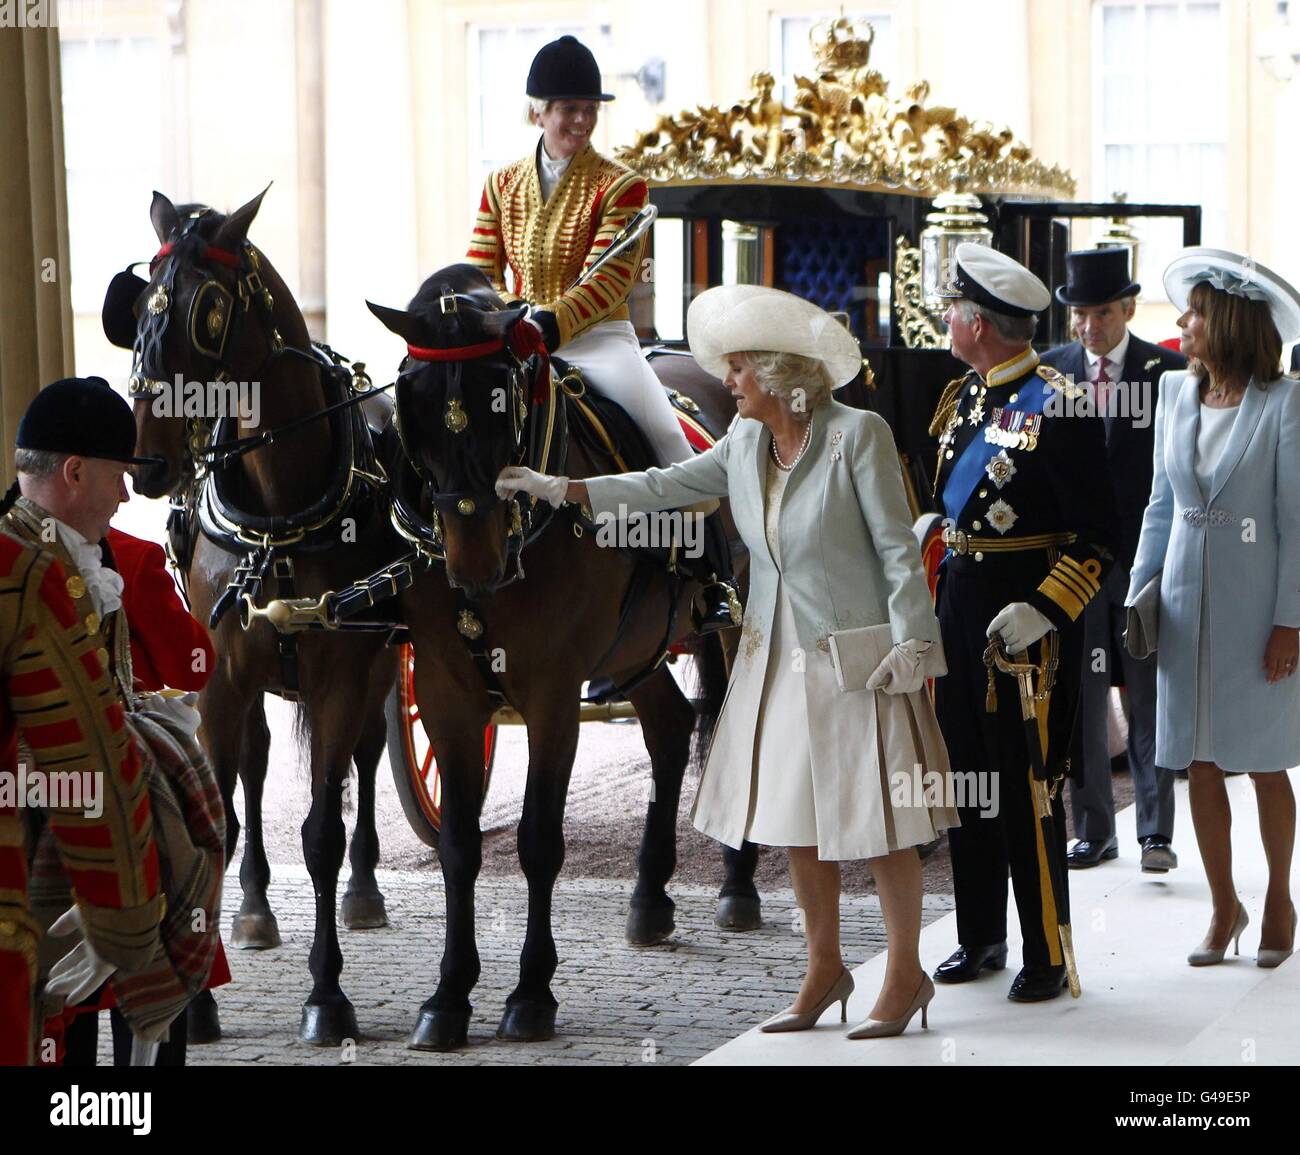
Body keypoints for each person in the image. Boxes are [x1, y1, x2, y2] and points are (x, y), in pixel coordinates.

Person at [497, 285, 957, 1039]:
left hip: (860, 659)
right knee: (796, 821)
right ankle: (824, 968)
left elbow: (898, 549)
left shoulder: (856, 435)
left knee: (878, 824)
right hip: (774, 658)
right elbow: (664, 487)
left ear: (777, 374)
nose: (729, 381)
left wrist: (914, 642)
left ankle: (905, 975)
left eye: (738, 369)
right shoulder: (745, 444)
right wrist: (565, 489)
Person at [466, 34, 735, 632]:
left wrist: (548, 323)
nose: (581, 120)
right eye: (569, 109)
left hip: (597, 339)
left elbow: (611, 278)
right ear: (538, 110)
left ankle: (709, 575)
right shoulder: (500, 184)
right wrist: (506, 319)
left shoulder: (622, 185)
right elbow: (480, 270)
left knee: (667, 436)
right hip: (516, 337)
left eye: (589, 109)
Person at [3, 376, 225, 1063]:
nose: (125, 496)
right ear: (74, 471)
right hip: (54, 856)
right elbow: (193, 664)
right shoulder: (43, 571)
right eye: (117, 477)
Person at [929, 244, 1116, 1002]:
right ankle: (980, 934)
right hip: (962, 605)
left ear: (978, 322)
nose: (947, 319)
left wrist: (1043, 609)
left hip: (1026, 624)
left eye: (953, 309)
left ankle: (1046, 947)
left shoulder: (1058, 402)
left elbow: (1099, 534)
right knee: (968, 776)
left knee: (1026, 785)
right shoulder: (964, 396)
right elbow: (949, 505)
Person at [1127, 247, 1300, 968]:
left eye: (1195, 312)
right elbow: (1160, 506)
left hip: (1256, 609)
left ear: (1225, 320)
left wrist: (1290, 621)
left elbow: (1294, 521)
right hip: (1181, 606)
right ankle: (1223, 904)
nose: (1184, 322)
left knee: (1261, 762)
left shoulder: (1286, 402)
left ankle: (1280, 898)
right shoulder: (1172, 392)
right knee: (1195, 762)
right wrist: (1139, 595)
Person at [1040, 247, 1187, 872]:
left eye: (1101, 312)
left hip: (1144, 561)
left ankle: (1155, 831)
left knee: (1149, 694)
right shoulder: (1051, 372)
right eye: (1079, 313)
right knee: (1082, 694)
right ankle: (1095, 828)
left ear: (1128, 308)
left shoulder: (1169, 373)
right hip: (1074, 565)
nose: (1088, 326)